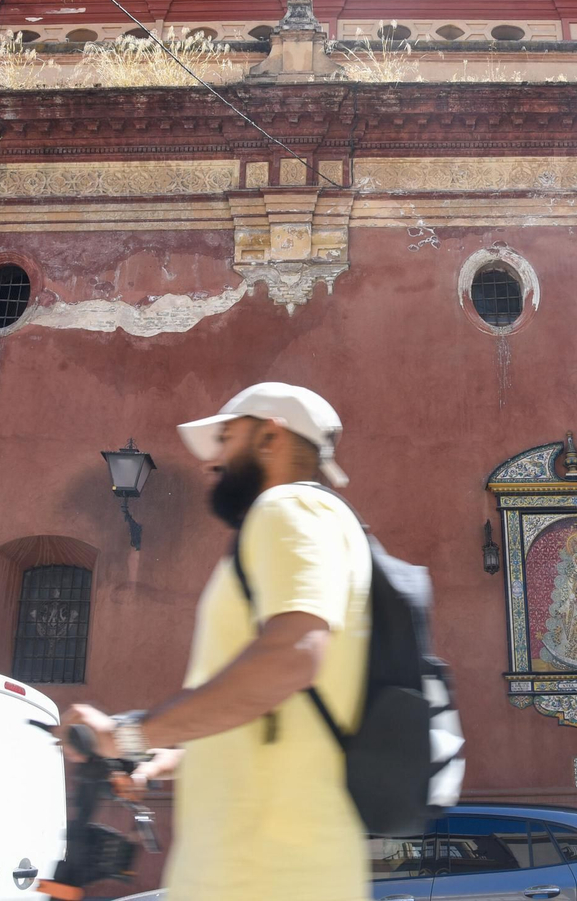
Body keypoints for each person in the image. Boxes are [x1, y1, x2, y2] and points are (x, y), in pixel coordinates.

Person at [56, 382, 373, 901]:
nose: (212, 461)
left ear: (270, 438)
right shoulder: (331, 528)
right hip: (280, 868)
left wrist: (128, 735)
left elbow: (292, 658)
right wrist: (169, 754)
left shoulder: (289, 508)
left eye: (227, 438)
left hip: (259, 873)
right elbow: (285, 713)